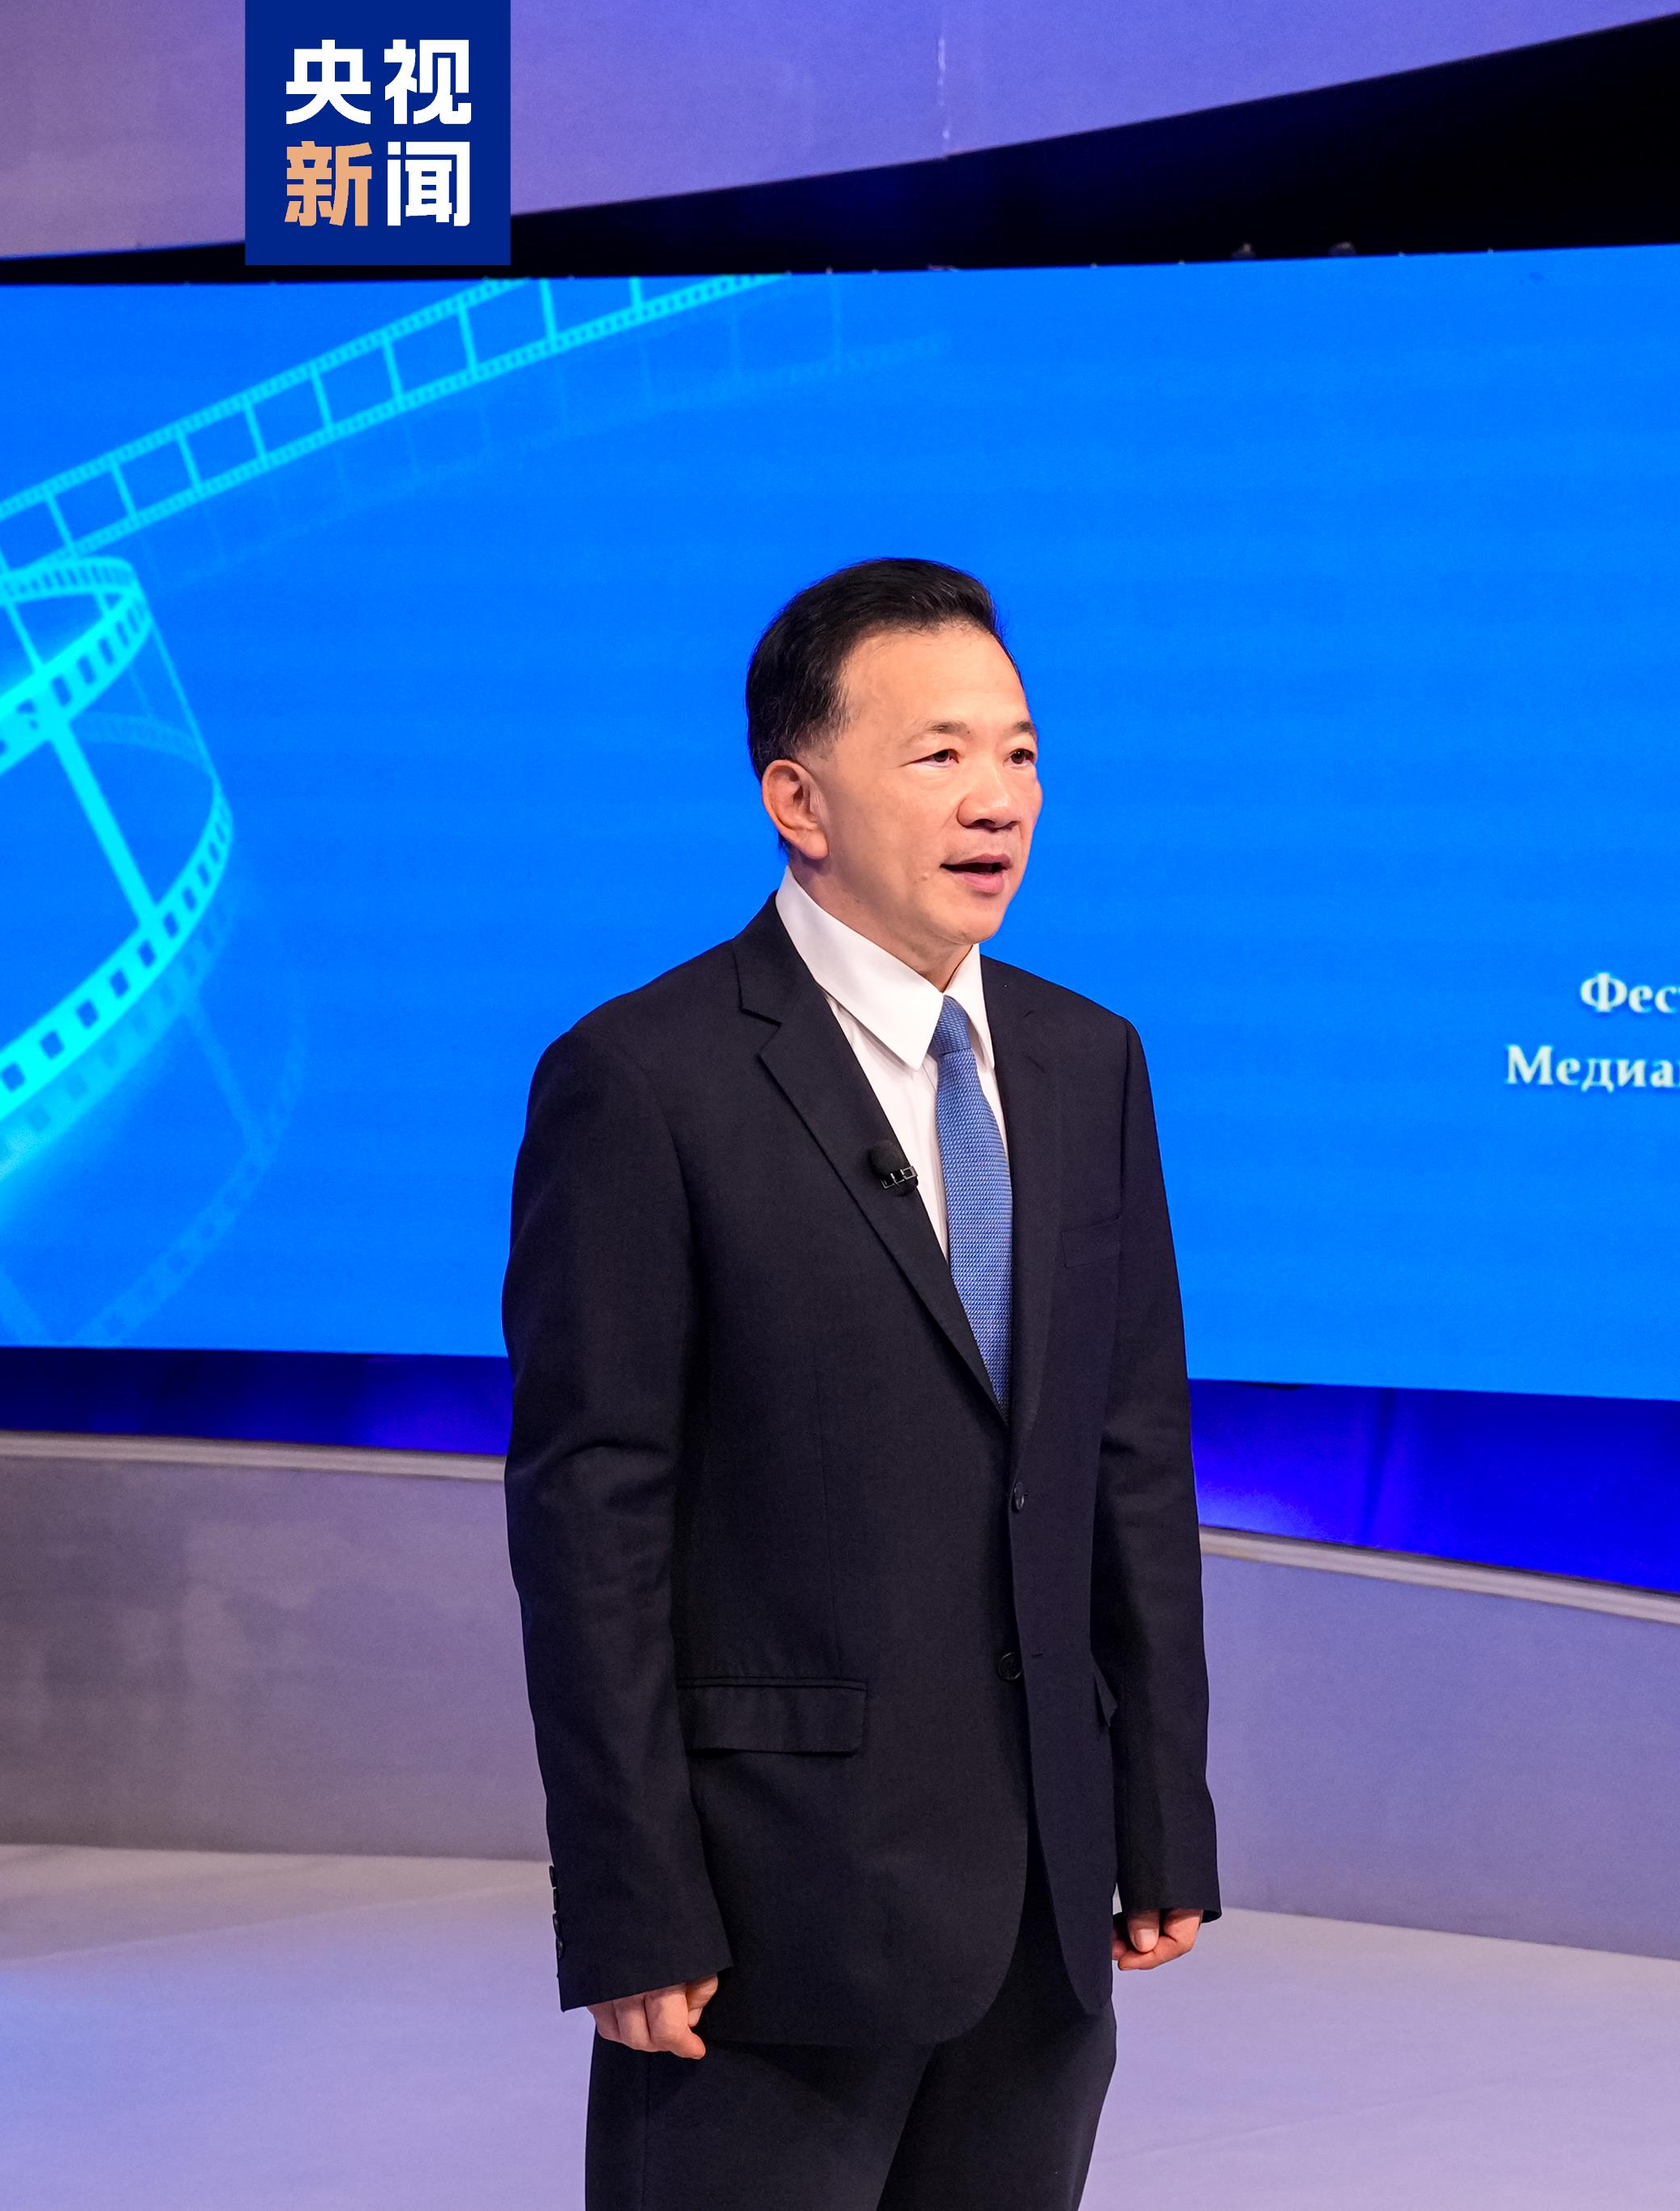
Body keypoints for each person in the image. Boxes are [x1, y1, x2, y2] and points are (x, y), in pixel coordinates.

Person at [503, 557, 1217, 2210]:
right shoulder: (643, 1080)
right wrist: (628, 1897)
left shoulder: (1086, 1060)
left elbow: (1130, 1459)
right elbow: (593, 1520)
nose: (997, 798)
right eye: (938, 754)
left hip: (1042, 1910)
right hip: (772, 1915)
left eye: (1019, 753)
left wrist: (1156, 1809)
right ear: (797, 800)